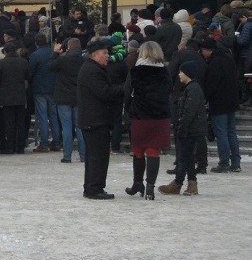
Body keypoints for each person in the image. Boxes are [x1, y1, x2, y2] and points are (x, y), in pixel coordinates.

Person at [123, 41, 171, 200]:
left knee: (138, 150)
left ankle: (138, 183)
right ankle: (150, 186)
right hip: (160, 116)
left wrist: (128, 111)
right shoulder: (165, 71)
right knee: (153, 151)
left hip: (140, 114)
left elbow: (128, 92)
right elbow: (169, 91)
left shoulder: (136, 71)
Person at [77, 38, 124, 199]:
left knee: (95, 156)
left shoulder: (93, 68)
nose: (107, 56)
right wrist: (123, 89)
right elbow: (104, 92)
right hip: (95, 120)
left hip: (94, 119)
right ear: (95, 55)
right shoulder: (92, 71)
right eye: (104, 53)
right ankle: (94, 188)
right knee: (98, 156)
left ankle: (92, 186)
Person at [159, 61, 207, 196]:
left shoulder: (193, 89)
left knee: (183, 157)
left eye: (181, 72)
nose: (179, 74)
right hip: (190, 128)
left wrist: (182, 127)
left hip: (190, 129)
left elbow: (189, 112)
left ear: (187, 73)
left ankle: (179, 183)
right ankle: (190, 184)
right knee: (187, 157)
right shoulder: (191, 88)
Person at [200, 37, 241, 173]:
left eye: (203, 51)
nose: (202, 53)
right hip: (232, 101)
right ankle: (236, 162)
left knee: (221, 133)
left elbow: (211, 86)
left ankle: (224, 163)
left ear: (208, 50)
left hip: (219, 102)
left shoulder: (214, 63)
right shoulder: (228, 59)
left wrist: (205, 99)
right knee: (231, 132)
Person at [50, 39, 86, 164]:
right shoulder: (84, 60)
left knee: (66, 126)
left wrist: (55, 53)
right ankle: (83, 155)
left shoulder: (62, 59)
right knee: (80, 127)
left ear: (69, 47)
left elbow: (50, 66)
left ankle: (67, 155)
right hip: (78, 96)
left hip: (63, 96)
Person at [0, 42, 31, 155]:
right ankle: (20, 147)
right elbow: (29, 76)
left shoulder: (2, 63)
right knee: (20, 123)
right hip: (20, 96)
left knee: (9, 123)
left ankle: (10, 147)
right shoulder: (23, 62)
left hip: (6, 96)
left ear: (5, 52)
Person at [28, 33, 60, 152]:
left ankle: (44, 143)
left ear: (36, 43)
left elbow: (30, 71)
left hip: (39, 88)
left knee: (42, 116)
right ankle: (56, 142)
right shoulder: (53, 53)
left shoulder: (35, 55)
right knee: (53, 116)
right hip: (53, 87)